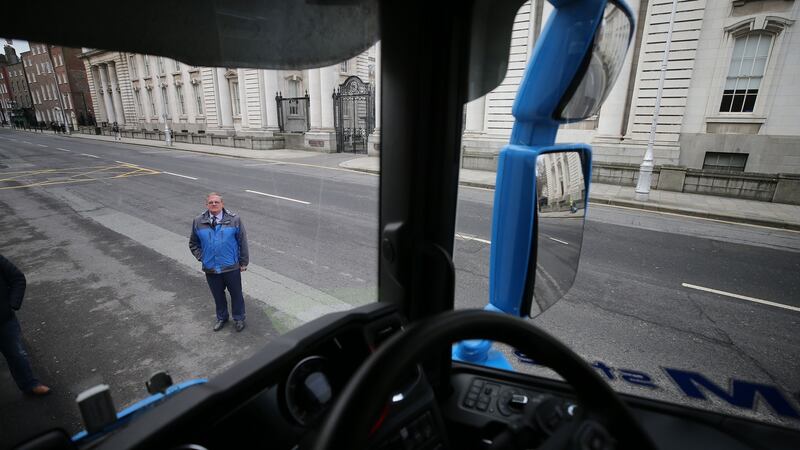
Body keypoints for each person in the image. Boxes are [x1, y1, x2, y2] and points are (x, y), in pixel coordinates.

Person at [189, 193, 249, 332]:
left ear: (222, 204)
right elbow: (193, 243)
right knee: (218, 295)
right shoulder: (198, 221)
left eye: (216, 202)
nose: (214, 204)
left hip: (231, 266)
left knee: (236, 294)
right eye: (211, 202)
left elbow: (242, 241)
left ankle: (239, 318)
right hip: (210, 267)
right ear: (207, 205)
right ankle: (222, 317)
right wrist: (202, 257)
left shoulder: (234, 219)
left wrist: (243, 262)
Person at [0, 254, 50, 396]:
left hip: (4, 321)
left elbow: (18, 278)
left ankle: (29, 385)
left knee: (17, 354)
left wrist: (11, 305)